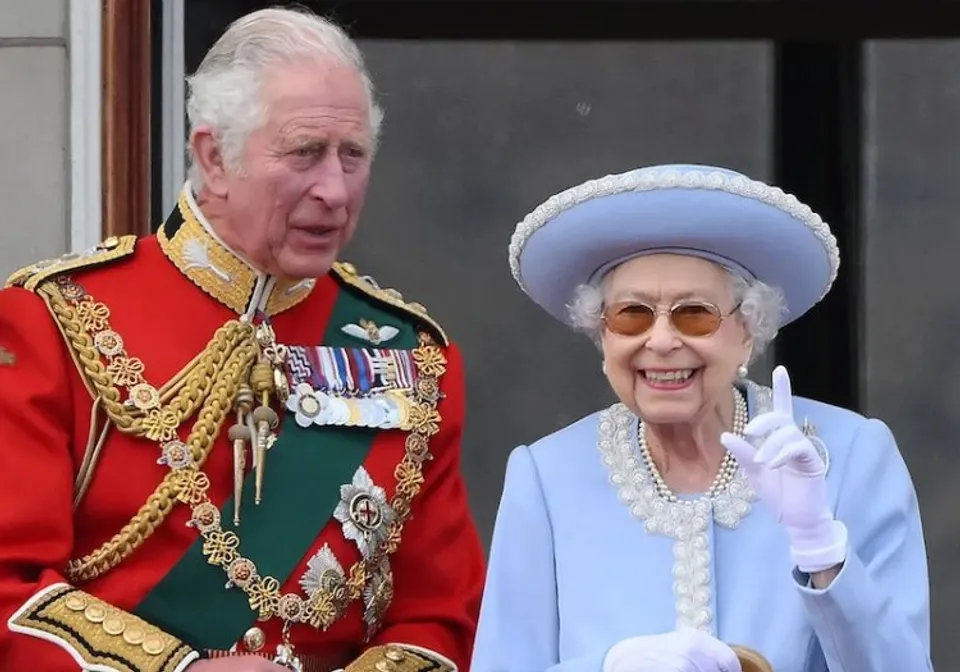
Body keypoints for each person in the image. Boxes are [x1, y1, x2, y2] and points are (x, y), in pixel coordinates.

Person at [0, 7, 485, 672]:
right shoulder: (55, 320)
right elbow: (9, 591)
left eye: (353, 156)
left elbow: (442, 615)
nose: (335, 191)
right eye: (306, 153)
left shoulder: (412, 357)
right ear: (213, 156)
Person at [472, 164, 932, 672]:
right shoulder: (546, 476)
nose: (663, 341)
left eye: (695, 314)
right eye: (632, 315)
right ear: (602, 338)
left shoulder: (852, 456)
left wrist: (821, 550)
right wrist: (607, 667)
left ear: (748, 333)